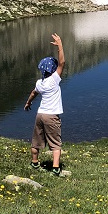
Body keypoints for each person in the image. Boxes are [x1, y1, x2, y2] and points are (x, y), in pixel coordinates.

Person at [24, 33, 65, 176]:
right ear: (53, 70)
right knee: (55, 143)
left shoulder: (40, 83)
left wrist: (28, 103)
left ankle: (34, 163)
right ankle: (55, 168)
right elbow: (62, 63)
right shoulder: (54, 80)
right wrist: (59, 45)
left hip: (40, 114)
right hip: (52, 115)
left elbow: (33, 93)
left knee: (37, 140)